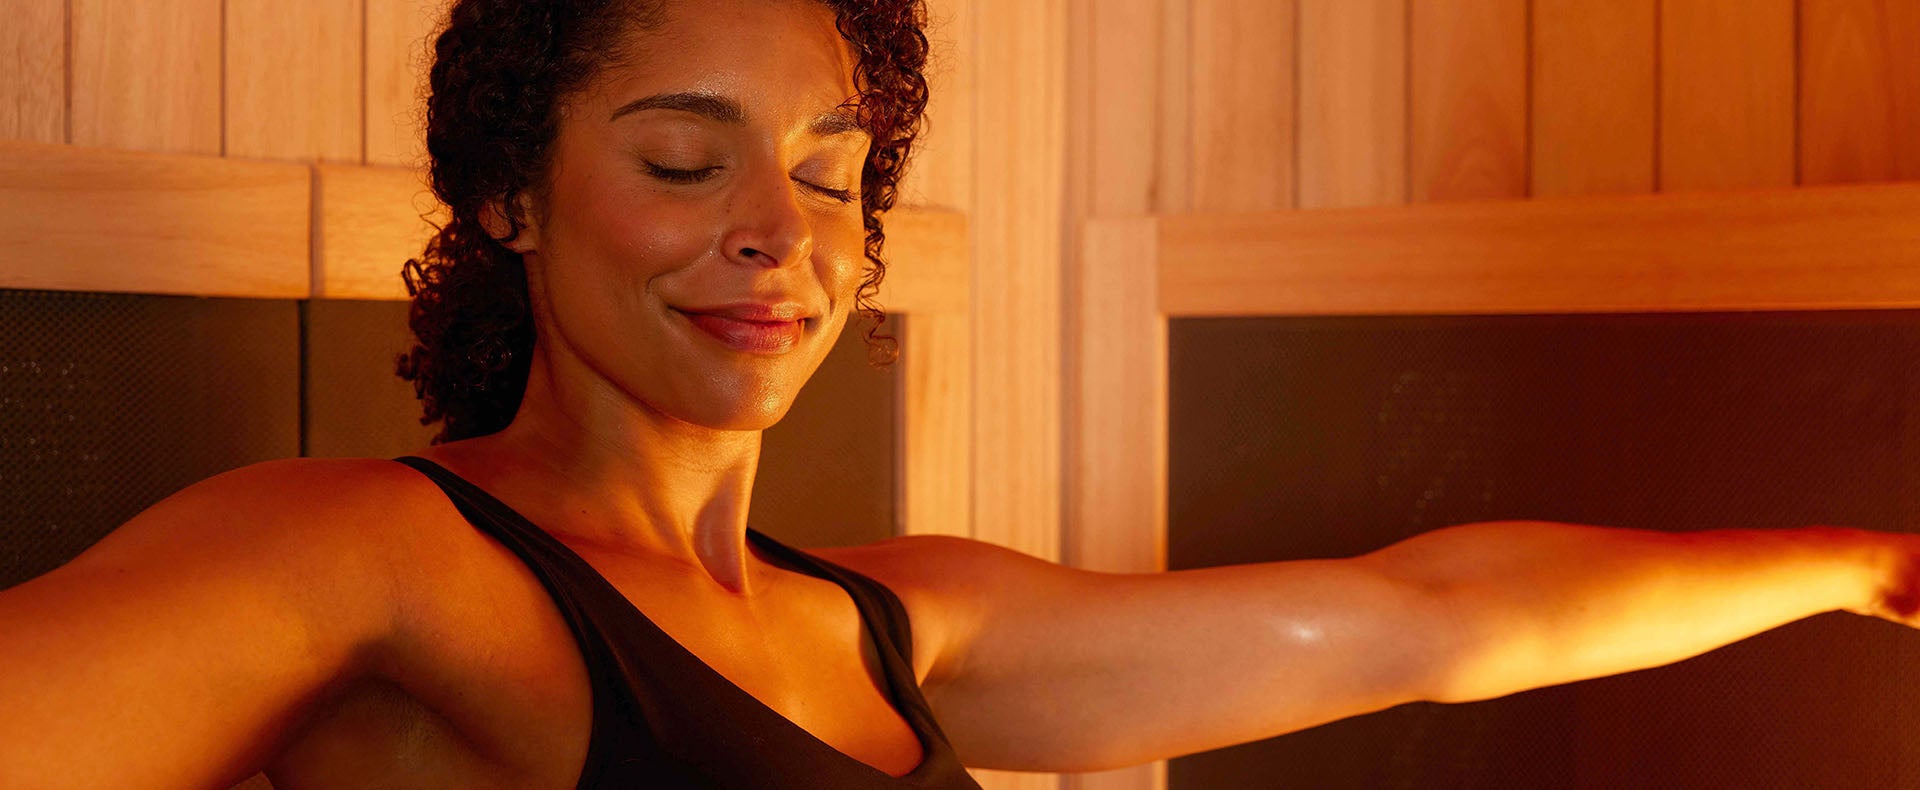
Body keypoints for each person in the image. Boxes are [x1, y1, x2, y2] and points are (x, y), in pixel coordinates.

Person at [4, 0, 1919, 786]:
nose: (784, 236)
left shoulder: (895, 620)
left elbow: (1426, 615)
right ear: (510, 191)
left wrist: (1862, 561)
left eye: (834, 175)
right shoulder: (373, 557)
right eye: (684, 166)